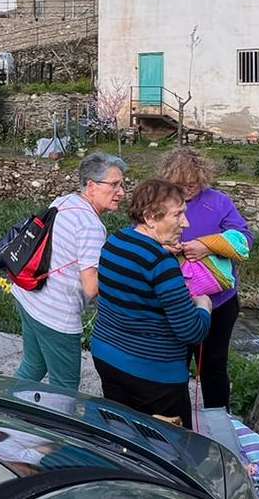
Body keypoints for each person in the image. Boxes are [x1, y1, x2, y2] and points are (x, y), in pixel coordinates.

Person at [91, 179, 213, 428]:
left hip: (107, 358)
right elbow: (191, 331)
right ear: (150, 218)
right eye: (178, 214)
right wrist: (203, 307)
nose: (185, 223)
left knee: (123, 432)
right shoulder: (162, 264)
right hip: (154, 375)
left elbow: (123, 295)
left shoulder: (115, 242)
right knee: (170, 445)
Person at [13, 152, 127, 391]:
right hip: (57, 316)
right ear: (92, 186)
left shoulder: (63, 201)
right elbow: (91, 287)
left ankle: (0, 411)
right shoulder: (91, 226)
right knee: (65, 386)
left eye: (122, 184)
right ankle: (58, 427)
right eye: (114, 185)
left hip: (29, 296)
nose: (122, 192)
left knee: (33, 366)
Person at [159, 147, 253, 411]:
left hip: (220, 303)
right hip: (176, 301)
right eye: (181, 185)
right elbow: (143, 234)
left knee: (213, 365)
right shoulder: (160, 201)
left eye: (193, 184)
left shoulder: (219, 202)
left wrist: (206, 246)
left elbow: (246, 240)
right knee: (174, 365)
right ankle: (177, 420)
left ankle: (218, 420)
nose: (188, 190)